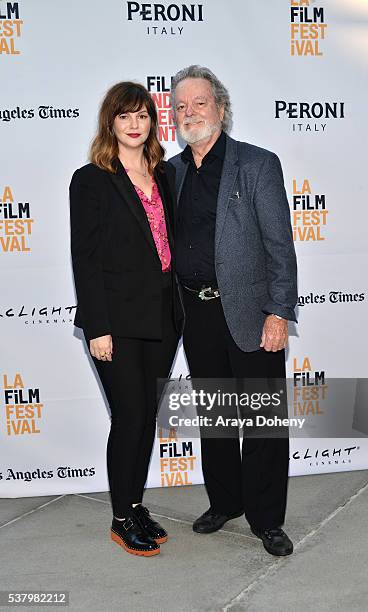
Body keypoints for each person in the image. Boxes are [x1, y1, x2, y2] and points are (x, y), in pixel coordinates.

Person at [169, 66, 298, 556]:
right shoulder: (172, 171)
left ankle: (267, 519)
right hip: (195, 314)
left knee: (263, 422)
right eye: (181, 107)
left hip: (251, 311)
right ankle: (224, 501)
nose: (190, 113)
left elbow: (280, 247)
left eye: (199, 103)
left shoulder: (257, 164)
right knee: (217, 417)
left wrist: (278, 311)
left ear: (220, 108)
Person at [70, 81, 183, 557]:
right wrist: (97, 327)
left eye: (143, 116)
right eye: (125, 117)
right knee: (130, 414)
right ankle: (121, 518)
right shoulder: (91, 178)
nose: (135, 125)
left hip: (163, 315)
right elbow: (86, 258)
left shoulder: (167, 174)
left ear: (152, 122)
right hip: (115, 320)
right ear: (110, 123)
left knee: (145, 418)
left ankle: (135, 504)